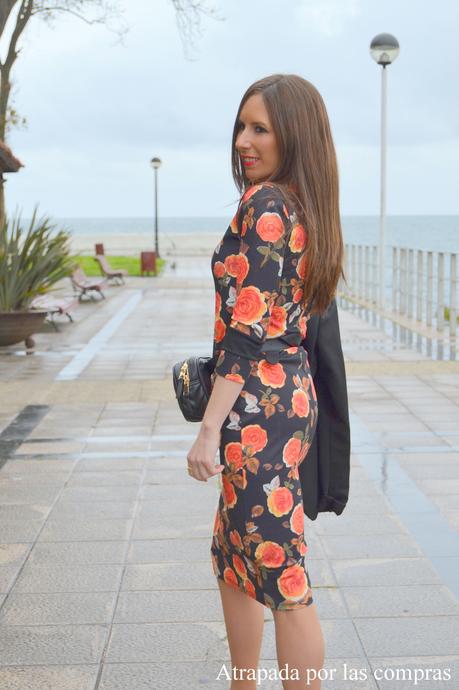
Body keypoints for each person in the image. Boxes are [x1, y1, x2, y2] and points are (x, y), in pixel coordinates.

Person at [186, 74, 345, 690]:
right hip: (283, 395)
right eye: (241, 127)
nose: (243, 142)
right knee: (235, 554)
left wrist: (208, 429)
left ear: (294, 136)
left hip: (259, 407)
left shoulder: (269, 205)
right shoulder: (301, 202)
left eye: (260, 129)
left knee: (281, 571)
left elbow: (246, 334)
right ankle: (242, 682)